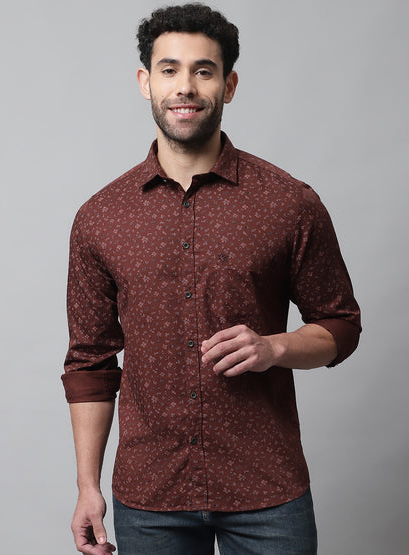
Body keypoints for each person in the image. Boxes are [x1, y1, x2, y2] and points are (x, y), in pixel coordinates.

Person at [62, 3, 361, 554]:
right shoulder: (99, 218)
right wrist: (87, 487)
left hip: (268, 489)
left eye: (203, 70)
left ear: (229, 85)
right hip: (150, 496)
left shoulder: (289, 203)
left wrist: (274, 347)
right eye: (169, 69)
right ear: (145, 82)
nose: (185, 86)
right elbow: (89, 365)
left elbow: (341, 325)